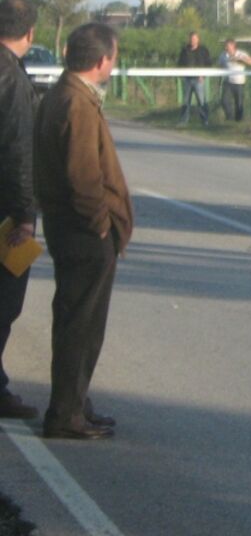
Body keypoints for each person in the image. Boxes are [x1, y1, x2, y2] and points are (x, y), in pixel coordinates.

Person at [35, 23, 133, 439]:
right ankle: (65, 414)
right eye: (113, 57)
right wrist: (101, 227)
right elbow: (83, 177)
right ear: (101, 60)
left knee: (81, 324)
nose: (113, 64)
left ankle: (75, 402)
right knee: (80, 325)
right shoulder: (76, 102)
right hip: (82, 233)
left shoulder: (67, 94)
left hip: (71, 229)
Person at [0, 0, 41, 420]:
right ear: (30, 33)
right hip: (5, 211)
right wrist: (26, 215)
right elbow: (18, 152)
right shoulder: (10, 77)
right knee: (5, 303)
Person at [177, 31, 211, 125]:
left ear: (198, 40)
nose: (193, 41)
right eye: (191, 39)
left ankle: (205, 120)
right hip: (187, 79)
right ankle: (183, 121)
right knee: (185, 101)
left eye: (195, 39)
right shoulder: (185, 50)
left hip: (199, 80)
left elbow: (208, 64)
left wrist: (203, 76)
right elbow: (180, 63)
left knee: (201, 100)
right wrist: (182, 75)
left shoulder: (203, 50)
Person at [218, 39, 251, 122]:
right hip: (228, 81)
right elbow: (220, 66)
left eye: (227, 46)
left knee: (239, 103)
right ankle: (229, 117)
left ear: (233, 46)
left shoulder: (241, 54)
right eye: (225, 46)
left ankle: (238, 121)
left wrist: (240, 60)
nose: (226, 48)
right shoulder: (223, 55)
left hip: (239, 82)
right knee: (224, 100)